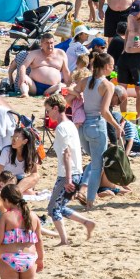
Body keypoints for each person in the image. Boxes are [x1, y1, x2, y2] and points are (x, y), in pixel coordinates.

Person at [44, 94, 95, 245]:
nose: (47, 114)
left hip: (69, 174)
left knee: (53, 209)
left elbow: (66, 154)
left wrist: (68, 179)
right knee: (60, 207)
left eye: (48, 110)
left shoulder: (61, 128)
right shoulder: (71, 124)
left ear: (55, 108)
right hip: (76, 172)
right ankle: (87, 223)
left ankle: (64, 240)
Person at [79, 53, 123, 204]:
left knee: (94, 161)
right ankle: (90, 200)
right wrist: (117, 126)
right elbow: (104, 111)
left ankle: (84, 189)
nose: (113, 68)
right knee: (97, 166)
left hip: (83, 127)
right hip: (96, 126)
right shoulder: (107, 85)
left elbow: (71, 92)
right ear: (105, 67)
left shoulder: (85, 81)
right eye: (112, 66)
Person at [0, 185, 44, 279]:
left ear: (6, 200)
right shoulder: (33, 216)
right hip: (29, 259)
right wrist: (41, 259)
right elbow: (39, 240)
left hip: (9, 259)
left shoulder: (6, 216)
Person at [17, 32, 71, 97]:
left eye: (51, 43)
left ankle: (56, 95)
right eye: (47, 43)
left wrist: (68, 84)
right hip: (34, 86)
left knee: (62, 86)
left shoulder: (61, 53)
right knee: (24, 77)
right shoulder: (34, 53)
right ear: (41, 44)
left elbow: (65, 71)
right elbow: (23, 66)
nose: (50, 46)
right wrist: (22, 77)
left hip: (52, 88)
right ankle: (25, 93)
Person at [0, 127, 41, 195]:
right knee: (29, 192)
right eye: (12, 137)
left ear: (25, 141)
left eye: (16, 137)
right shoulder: (7, 151)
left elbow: (34, 172)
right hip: (6, 179)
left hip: (19, 180)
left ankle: (14, 192)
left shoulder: (31, 154)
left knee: (36, 176)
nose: (13, 140)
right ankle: (15, 193)